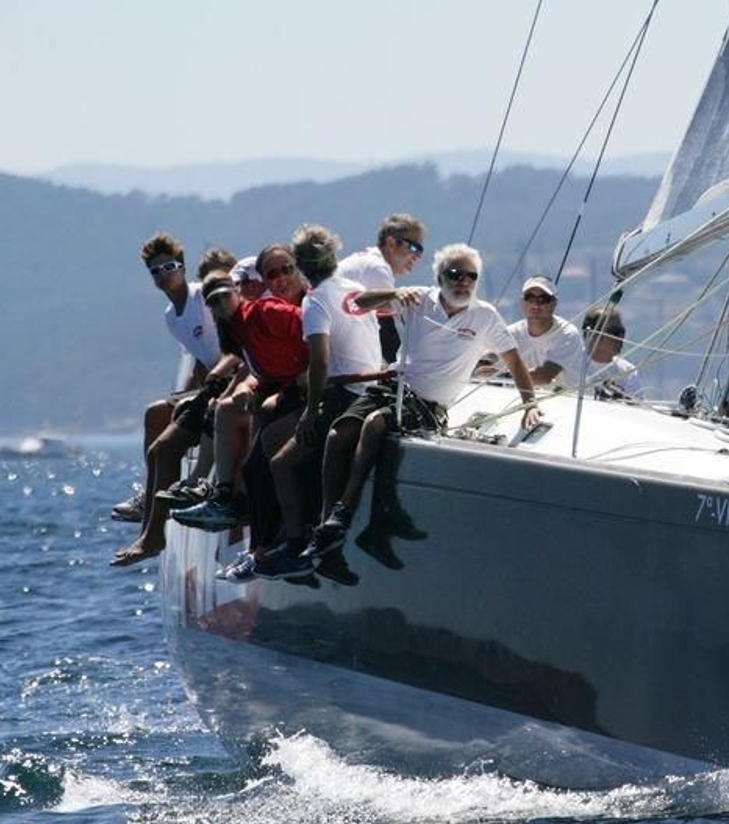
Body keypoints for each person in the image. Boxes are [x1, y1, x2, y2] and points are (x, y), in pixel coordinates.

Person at [301, 243, 541, 569]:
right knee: (337, 434)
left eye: (470, 276)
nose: (463, 282)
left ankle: (344, 512)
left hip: (429, 403)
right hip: (394, 388)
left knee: (374, 424)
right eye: (454, 275)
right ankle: (326, 525)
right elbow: (357, 304)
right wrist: (395, 295)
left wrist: (530, 405)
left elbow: (514, 362)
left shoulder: (485, 316)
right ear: (439, 277)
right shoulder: (418, 298)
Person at [247, 224, 388, 580]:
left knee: (281, 462)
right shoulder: (354, 288)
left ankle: (296, 544)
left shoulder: (316, 300)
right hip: (372, 388)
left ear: (301, 265)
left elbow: (320, 362)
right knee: (276, 440)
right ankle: (296, 538)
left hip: (347, 394)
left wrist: (310, 411)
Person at [174, 245, 308, 532]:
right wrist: (247, 387)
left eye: (226, 296)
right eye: (214, 302)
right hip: (281, 390)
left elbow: (317, 333)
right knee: (225, 411)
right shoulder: (235, 329)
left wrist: (308, 373)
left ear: (237, 292)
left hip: (307, 390)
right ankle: (223, 496)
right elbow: (257, 368)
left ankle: (285, 536)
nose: (222, 304)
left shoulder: (267, 311)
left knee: (259, 465)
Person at [108, 236, 228, 547]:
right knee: (155, 413)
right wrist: (194, 391)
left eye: (169, 267)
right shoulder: (171, 317)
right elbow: (201, 360)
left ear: (183, 268)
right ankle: (151, 498)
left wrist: (213, 386)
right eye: (155, 270)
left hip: (233, 379)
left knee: (170, 436)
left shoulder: (203, 297)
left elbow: (232, 344)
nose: (163, 274)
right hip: (212, 382)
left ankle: (181, 494)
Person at [340, 213, 428, 362]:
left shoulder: (364, 261)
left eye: (421, 250)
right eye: (414, 247)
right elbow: (388, 329)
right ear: (391, 243)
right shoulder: (377, 269)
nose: (418, 256)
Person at [496, 275, 582, 387]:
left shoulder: (568, 334)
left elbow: (544, 377)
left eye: (543, 299)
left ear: (554, 304)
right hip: (522, 398)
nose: (536, 305)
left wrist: (500, 376)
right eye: (530, 298)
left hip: (562, 401)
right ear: (522, 302)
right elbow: (487, 358)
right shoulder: (510, 333)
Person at [573, 306, 643, 399]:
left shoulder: (628, 371)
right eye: (615, 332)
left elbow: (637, 408)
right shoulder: (569, 360)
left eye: (622, 332)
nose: (621, 337)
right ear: (593, 334)